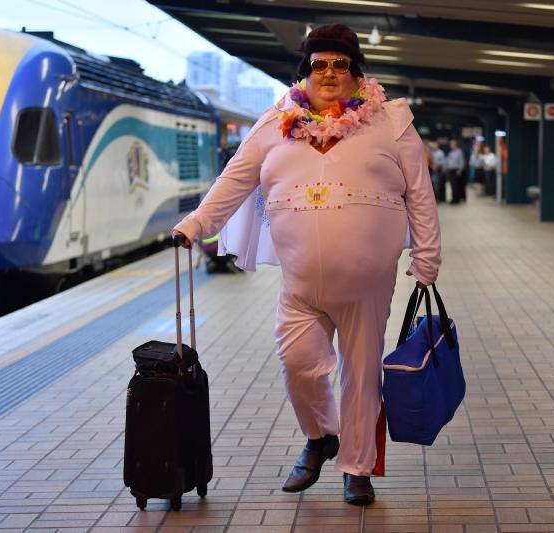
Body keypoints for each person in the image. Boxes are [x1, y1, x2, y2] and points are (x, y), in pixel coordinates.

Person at [171, 23, 441, 506]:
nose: (331, 73)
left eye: (341, 64)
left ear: (357, 74)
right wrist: (195, 225)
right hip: (299, 282)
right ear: (305, 73)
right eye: (320, 65)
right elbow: (234, 180)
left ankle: (356, 469)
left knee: (361, 374)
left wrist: (427, 256)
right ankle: (321, 436)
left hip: (368, 281)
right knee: (298, 364)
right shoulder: (275, 123)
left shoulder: (391, 121)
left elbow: (420, 193)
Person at [445, 139, 465, 204]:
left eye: (452, 144)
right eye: (450, 144)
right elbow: (447, 161)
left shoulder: (459, 152)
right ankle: (454, 198)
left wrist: (460, 170)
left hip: (456, 170)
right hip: (450, 171)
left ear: (455, 144)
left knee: (456, 185)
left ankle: (456, 199)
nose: (451, 145)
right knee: (452, 185)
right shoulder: (451, 152)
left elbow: (461, 161)